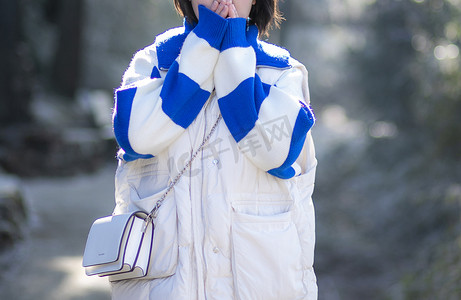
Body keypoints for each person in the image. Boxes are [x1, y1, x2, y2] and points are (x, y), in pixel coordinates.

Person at [110, 0, 317, 299]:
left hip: (260, 285)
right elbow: (137, 136)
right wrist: (202, 47)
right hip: (166, 287)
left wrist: (233, 50)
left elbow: (275, 151)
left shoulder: (281, 73)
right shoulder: (155, 62)